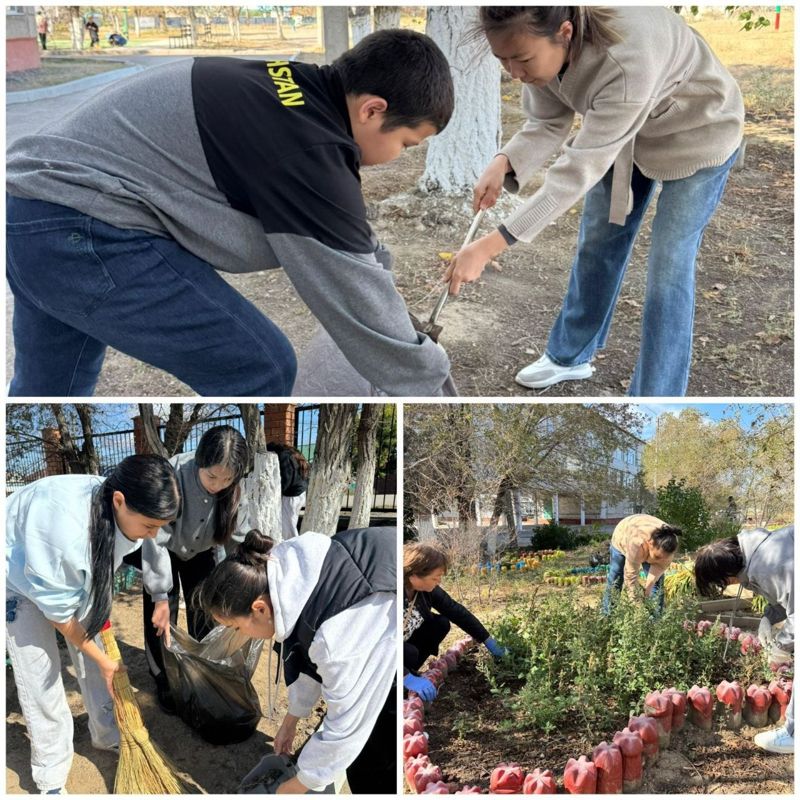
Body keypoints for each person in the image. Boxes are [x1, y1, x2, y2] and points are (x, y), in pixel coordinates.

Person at [6, 29, 453, 397]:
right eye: (407, 144)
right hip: (82, 229)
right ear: (373, 109)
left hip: (32, 215)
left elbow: (350, 240)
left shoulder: (287, 90)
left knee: (50, 393)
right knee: (260, 367)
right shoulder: (309, 150)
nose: (397, 156)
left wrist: (377, 264)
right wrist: (432, 378)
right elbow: (355, 292)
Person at [445, 7, 744, 396]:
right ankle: (570, 356)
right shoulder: (537, 33)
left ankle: (655, 395)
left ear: (565, 33)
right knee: (598, 243)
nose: (514, 73)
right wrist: (504, 162)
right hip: (624, 138)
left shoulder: (626, 58)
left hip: (700, 131)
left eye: (520, 60)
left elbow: (575, 173)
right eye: (503, 60)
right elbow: (547, 120)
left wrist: (488, 246)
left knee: (669, 267)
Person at [5, 455, 181, 795]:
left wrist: (100, 629)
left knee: (97, 658)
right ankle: (51, 776)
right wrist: (103, 661)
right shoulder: (67, 535)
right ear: (120, 502)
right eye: (149, 526)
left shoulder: (116, 506)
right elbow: (59, 616)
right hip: (15, 575)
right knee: (41, 675)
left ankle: (107, 734)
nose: (152, 535)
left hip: (58, 573)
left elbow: (99, 567)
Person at [197, 527, 396, 794]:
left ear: (259, 609)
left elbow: (348, 726)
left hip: (390, 613)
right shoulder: (291, 576)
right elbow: (307, 656)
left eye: (235, 627)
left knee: (373, 759)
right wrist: (291, 720)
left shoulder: (338, 637)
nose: (238, 636)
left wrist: (296, 786)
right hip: (379, 605)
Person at [130, 425, 249, 713]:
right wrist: (159, 595)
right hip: (164, 549)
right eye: (211, 476)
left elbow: (240, 538)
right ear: (199, 462)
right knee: (161, 619)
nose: (218, 484)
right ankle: (163, 676)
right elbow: (154, 538)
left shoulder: (233, 489)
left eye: (227, 479)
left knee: (206, 611)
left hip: (201, 552)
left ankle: (201, 667)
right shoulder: (172, 475)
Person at [694, 525, 794, 754]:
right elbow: (787, 595)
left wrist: (782, 646)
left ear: (726, 576)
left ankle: (793, 735)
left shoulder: (768, 566)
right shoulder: (757, 552)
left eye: (720, 582)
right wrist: (769, 617)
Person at [403, 542, 506, 702]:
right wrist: (405, 676)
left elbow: (455, 611)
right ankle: (400, 679)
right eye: (435, 578)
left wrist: (486, 639)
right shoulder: (391, 595)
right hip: (388, 652)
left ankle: (410, 671)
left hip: (406, 645)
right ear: (414, 574)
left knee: (440, 624)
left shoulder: (425, 591)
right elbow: (379, 643)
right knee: (409, 652)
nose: (438, 582)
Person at [601, 514, 682, 614]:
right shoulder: (636, 543)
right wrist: (638, 607)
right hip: (623, 533)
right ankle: (607, 615)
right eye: (656, 557)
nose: (658, 561)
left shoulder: (670, 544)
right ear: (650, 543)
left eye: (663, 558)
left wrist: (647, 591)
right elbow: (630, 578)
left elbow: (655, 576)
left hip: (645, 541)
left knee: (657, 585)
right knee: (616, 578)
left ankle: (656, 622)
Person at [267, 442, 309, 539]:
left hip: (291, 496)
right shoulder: (290, 453)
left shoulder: (283, 456)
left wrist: (274, 493)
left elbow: (286, 479)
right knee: (290, 525)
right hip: (299, 493)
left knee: (288, 529)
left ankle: (292, 547)